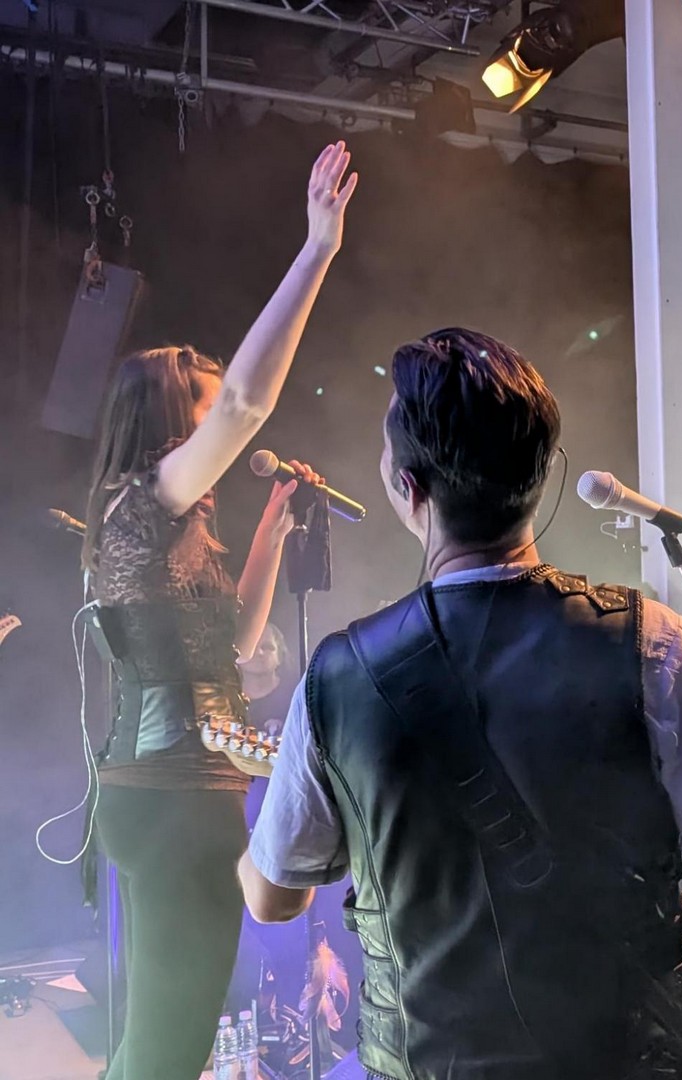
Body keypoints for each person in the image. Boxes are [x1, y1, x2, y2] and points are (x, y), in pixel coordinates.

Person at [236, 327, 682, 1080]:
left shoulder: (338, 676)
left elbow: (273, 900)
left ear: (408, 488)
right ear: (541, 477)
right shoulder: (648, 641)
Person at [83, 142, 357, 1080]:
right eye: (201, 418)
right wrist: (315, 250)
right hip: (166, 794)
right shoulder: (139, 504)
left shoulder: (177, 527)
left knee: (177, 1032)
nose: (221, 433)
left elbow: (234, 646)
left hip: (188, 791)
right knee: (170, 1042)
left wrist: (274, 524)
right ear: (169, 424)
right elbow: (245, 400)